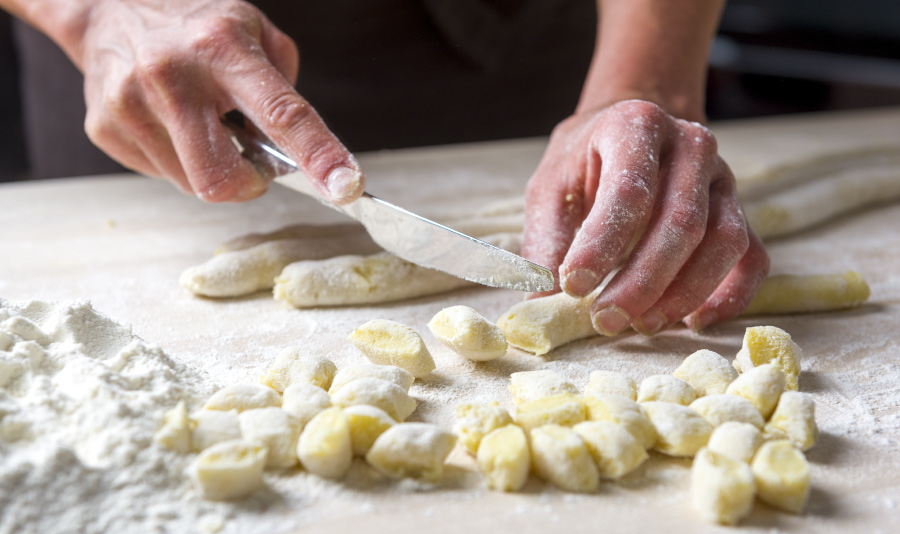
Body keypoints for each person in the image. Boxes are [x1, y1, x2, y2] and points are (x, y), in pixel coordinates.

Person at [1, 0, 768, 335]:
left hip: (507, 41)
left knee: (600, 211)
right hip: (154, 55)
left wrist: (643, 81)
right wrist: (93, 8)